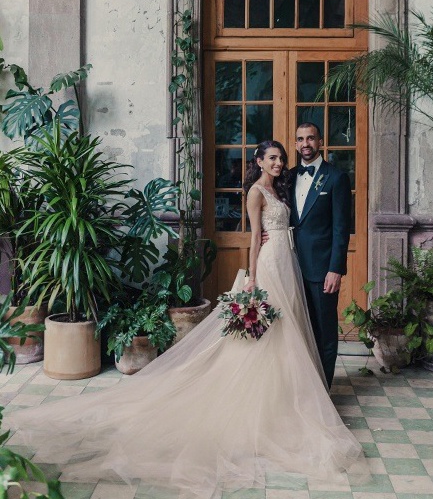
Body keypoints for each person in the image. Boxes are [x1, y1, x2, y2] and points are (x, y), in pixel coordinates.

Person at [7, 140, 366, 499]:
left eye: (280, 158)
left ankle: (291, 395)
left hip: (289, 262)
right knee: (267, 335)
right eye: (271, 158)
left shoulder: (281, 187)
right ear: (257, 161)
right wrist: (253, 278)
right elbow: (256, 237)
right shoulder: (257, 192)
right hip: (270, 264)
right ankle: (260, 399)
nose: (278, 162)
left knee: (288, 330)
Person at [290, 122, 352, 388]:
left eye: (311, 138)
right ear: (295, 144)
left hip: (322, 269)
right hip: (290, 266)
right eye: (301, 139)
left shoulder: (336, 177)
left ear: (320, 142)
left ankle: (324, 390)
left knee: (325, 332)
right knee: (296, 332)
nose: (306, 143)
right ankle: (302, 386)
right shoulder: (289, 176)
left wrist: (335, 269)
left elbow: (341, 229)